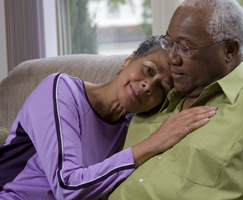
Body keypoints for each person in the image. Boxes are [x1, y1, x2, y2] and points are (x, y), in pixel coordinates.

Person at [108, 0, 243, 200]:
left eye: (185, 48)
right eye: (169, 43)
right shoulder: (151, 100)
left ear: (229, 51)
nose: (172, 58)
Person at [0, 35, 217, 200]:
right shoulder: (60, 91)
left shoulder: (132, 127)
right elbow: (67, 187)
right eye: (149, 70)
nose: (147, 86)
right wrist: (154, 143)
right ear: (129, 60)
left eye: (161, 87)